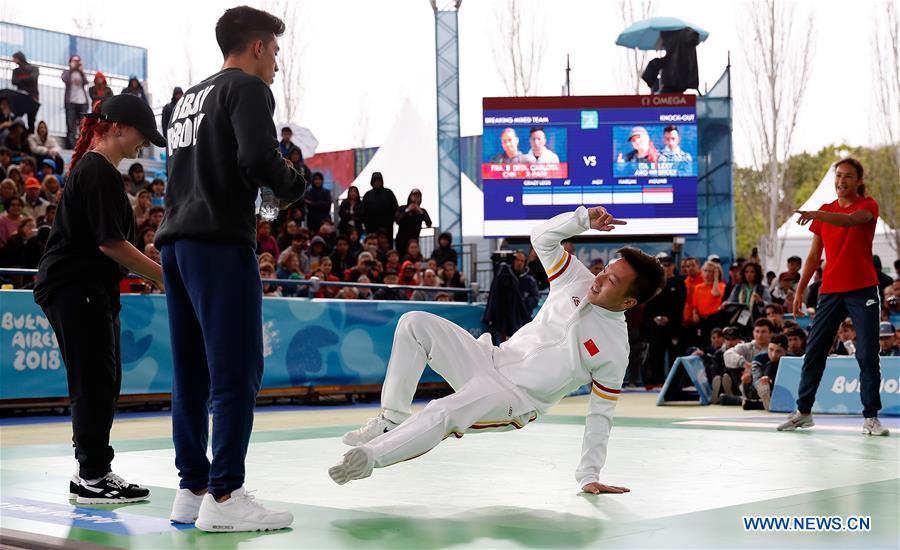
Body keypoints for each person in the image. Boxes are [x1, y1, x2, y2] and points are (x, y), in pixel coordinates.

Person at [330, 205, 665, 494]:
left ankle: (369, 458)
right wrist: (582, 220)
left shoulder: (615, 349)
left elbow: (600, 415)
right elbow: (541, 238)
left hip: (514, 397)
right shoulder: (576, 279)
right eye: (605, 270)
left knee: (444, 411)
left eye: (611, 281)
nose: (599, 278)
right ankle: (392, 418)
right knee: (414, 323)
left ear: (628, 302)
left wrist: (589, 475)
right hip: (489, 358)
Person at [154, 6, 306, 532]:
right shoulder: (247, 88)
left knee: (191, 373)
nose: (277, 66)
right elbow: (259, 159)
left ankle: (193, 488)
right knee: (236, 370)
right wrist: (293, 186)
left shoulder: (185, 101)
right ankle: (225, 494)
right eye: (276, 53)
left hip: (175, 245)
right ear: (258, 46)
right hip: (218, 243)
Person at [32, 95, 166, 504]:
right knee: (94, 380)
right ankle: (92, 474)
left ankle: (93, 471)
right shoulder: (97, 170)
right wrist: (165, 277)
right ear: (118, 126)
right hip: (76, 286)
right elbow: (110, 243)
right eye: (143, 134)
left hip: (91, 288)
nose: (145, 143)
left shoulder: (101, 171)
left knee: (103, 380)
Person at [778, 158, 888, 436]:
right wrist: (800, 290)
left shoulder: (868, 206)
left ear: (859, 181)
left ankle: (871, 418)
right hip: (830, 291)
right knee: (814, 351)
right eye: (838, 176)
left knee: (867, 354)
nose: (841, 181)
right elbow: (815, 255)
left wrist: (816, 214)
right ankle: (803, 412)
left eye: (848, 176)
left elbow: (850, 221)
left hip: (862, 289)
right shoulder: (826, 211)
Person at [642, 254, 685, 389]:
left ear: (673, 266)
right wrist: (654, 318)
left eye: (668, 265)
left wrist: (669, 318)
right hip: (655, 325)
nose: (665, 268)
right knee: (656, 354)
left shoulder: (679, 283)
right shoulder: (653, 283)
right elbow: (647, 304)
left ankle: (674, 383)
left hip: (673, 325)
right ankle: (656, 381)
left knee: (674, 355)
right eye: (663, 265)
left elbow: (680, 304)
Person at [361, 172, 398, 246]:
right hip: (371, 228)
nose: (377, 183)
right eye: (375, 181)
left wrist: (391, 220)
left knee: (386, 246)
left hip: (387, 227)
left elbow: (395, 208)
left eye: (379, 181)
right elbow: (363, 211)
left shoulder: (388, 193)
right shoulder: (368, 195)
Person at [61, 55, 89, 149]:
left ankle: (82, 145)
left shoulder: (81, 73)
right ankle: (72, 145)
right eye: (74, 61)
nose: (76, 63)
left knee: (83, 124)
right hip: (71, 102)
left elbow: (86, 81)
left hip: (82, 101)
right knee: (71, 124)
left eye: (78, 61)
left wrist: (81, 71)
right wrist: (72, 69)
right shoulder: (67, 72)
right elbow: (65, 79)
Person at [395, 188, 432, 257]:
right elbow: (397, 220)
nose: (416, 198)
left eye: (418, 196)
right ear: (410, 196)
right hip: (401, 239)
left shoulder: (422, 210)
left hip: (414, 240)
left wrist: (420, 212)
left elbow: (429, 223)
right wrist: (407, 211)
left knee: (414, 257)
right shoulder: (402, 208)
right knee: (401, 257)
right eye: (414, 195)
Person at [10, 52, 40, 133]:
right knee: (15, 118)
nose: (13, 60)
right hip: (21, 97)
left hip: (32, 97)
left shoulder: (34, 68)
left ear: (19, 58)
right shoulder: (16, 71)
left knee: (31, 120)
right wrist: (27, 79)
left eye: (14, 58)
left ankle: (30, 136)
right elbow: (14, 81)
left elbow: (33, 79)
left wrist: (20, 80)